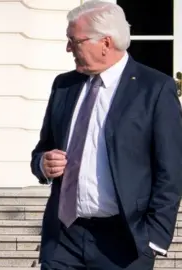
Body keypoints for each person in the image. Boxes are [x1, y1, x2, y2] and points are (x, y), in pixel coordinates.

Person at [30, 1, 182, 269]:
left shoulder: (155, 89)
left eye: (74, 41)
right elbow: (42, 149)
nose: (68, 48)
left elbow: (171, 169)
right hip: (64, 236)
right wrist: (43, 163)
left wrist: (154, 238)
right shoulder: (64, 85)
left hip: (124, 241)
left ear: (105, 43)